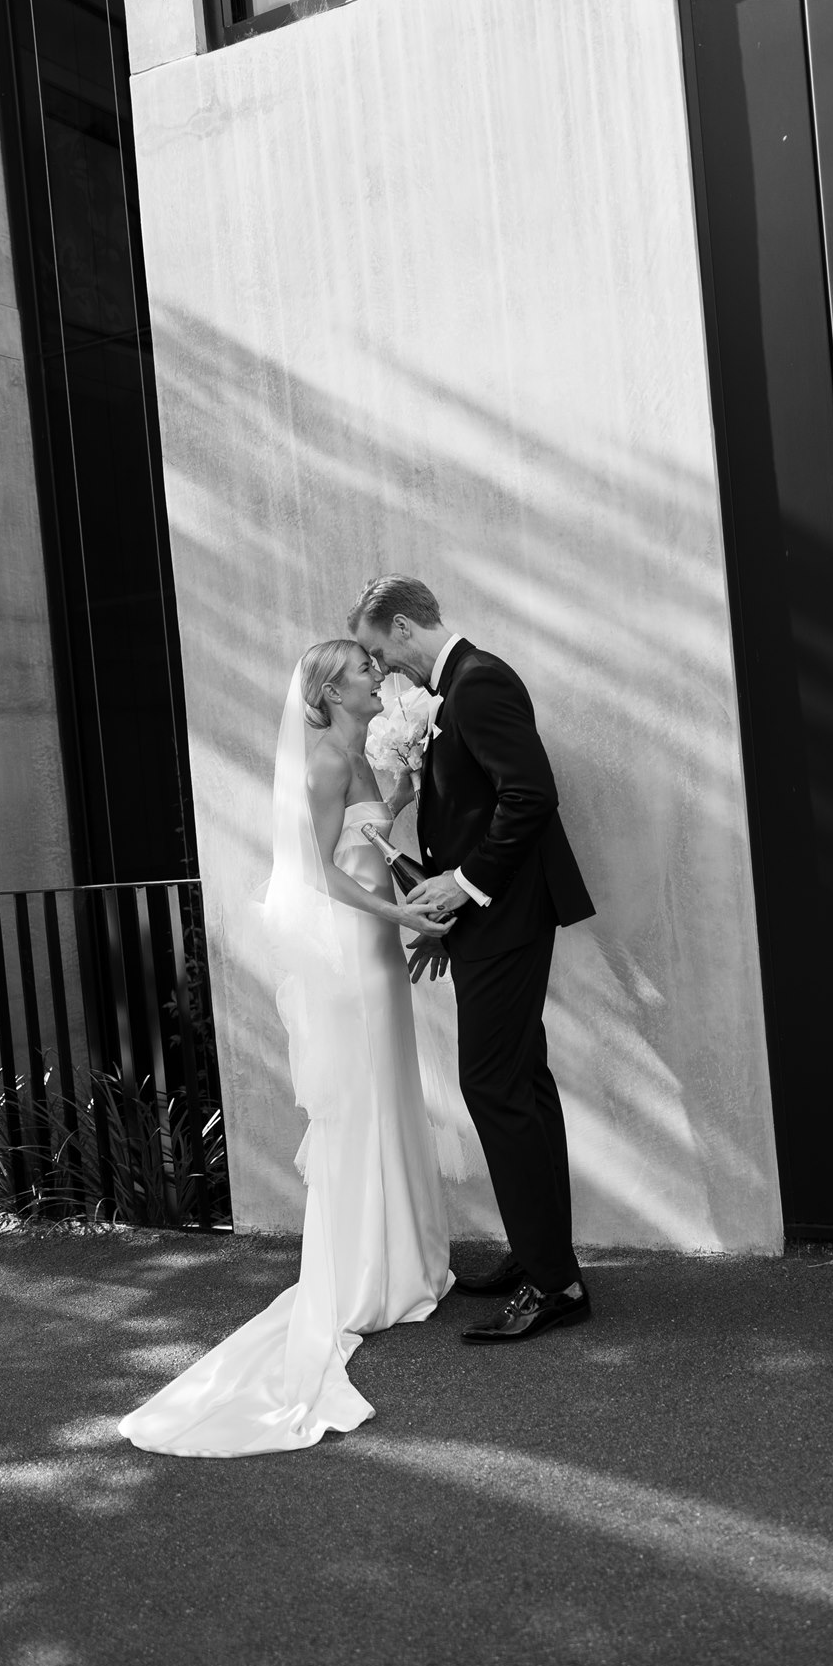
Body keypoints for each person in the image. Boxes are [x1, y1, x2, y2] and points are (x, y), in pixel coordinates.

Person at [120, 639, 457, 1457]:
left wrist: (406, 785)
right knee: (362, 1099)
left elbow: (368, 843)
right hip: (352, 953)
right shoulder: (319, 764)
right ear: (329, 691)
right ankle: (365, 1273)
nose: (380, 676)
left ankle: (405, 1261)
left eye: (377, 670)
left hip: (376, 950)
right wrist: (406, 919)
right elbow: (319, 877)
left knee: (389, 1093)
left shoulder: (361, 750)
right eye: (364, 672)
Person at [349, 575, 596, 1343]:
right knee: (520, 1082)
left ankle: (554, 1285)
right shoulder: (453, 688)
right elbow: (475, 807)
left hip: (509, 914)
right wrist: (447, 914)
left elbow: (529, 795)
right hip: (492, 918)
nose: (381, 669)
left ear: (400, 625)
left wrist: (462, 888)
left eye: (376, 651)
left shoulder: (478, 682)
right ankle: (542, 1257)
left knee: (493, 1085)